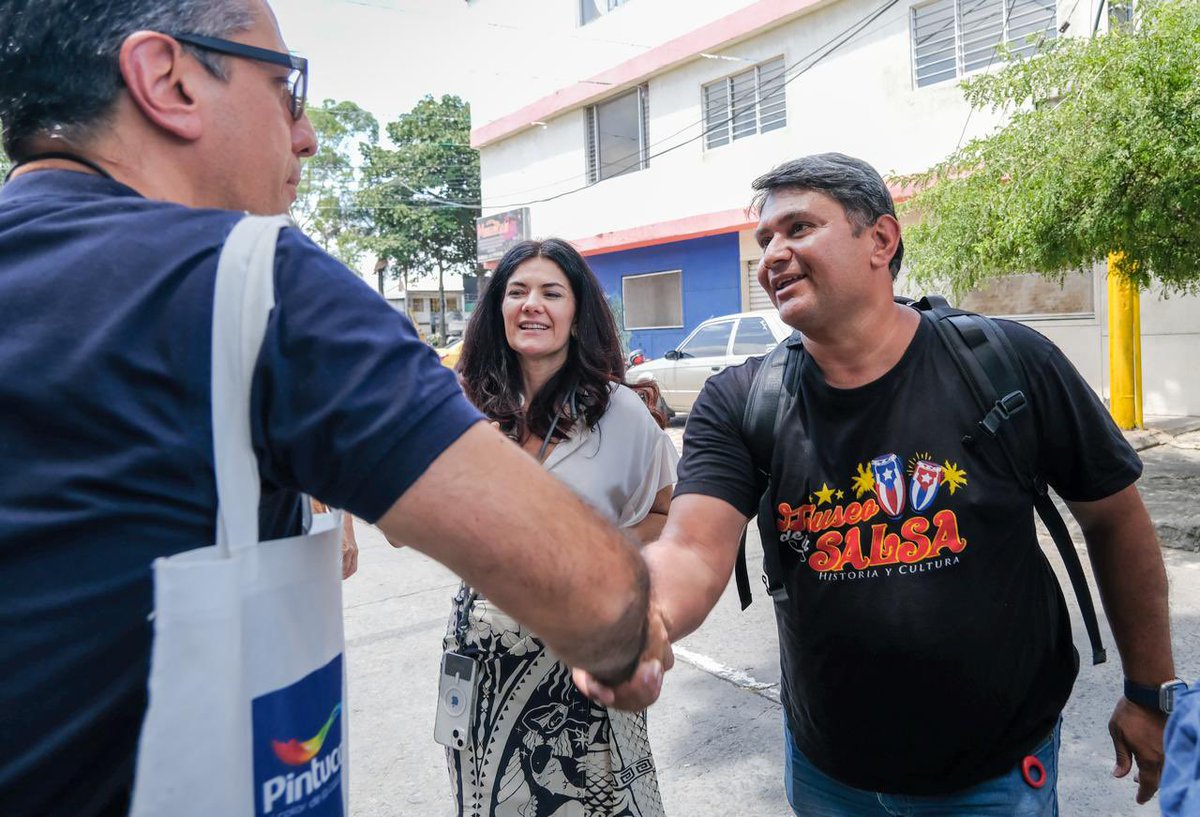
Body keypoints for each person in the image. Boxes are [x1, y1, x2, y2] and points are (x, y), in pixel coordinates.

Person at [0, 3, 664, 816]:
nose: (306, 135)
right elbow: (595, 592)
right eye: (286, 90)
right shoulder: (255, 283)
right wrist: (627, 634)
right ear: (167, 80)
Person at [576, 153, 1178, 814]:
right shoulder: (741, 399)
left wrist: (1150, 690)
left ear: (881, 240)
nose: (772, 255)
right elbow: (692, 546)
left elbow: (1114, 518)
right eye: (765, 240)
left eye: (799, 228)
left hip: (994, 775)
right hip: (827, 773)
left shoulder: (1006, 362)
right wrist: (647, 615)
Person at [444, 238, 677, 817]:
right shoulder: (462, 410)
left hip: (583, 654)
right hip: (484, 656)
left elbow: (666, 511)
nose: (532, 305)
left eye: (552, 293)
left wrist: (592, 555)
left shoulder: (618, 412)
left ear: (577, 314)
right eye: (517, 292)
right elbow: (406, 526)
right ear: (498, 309)